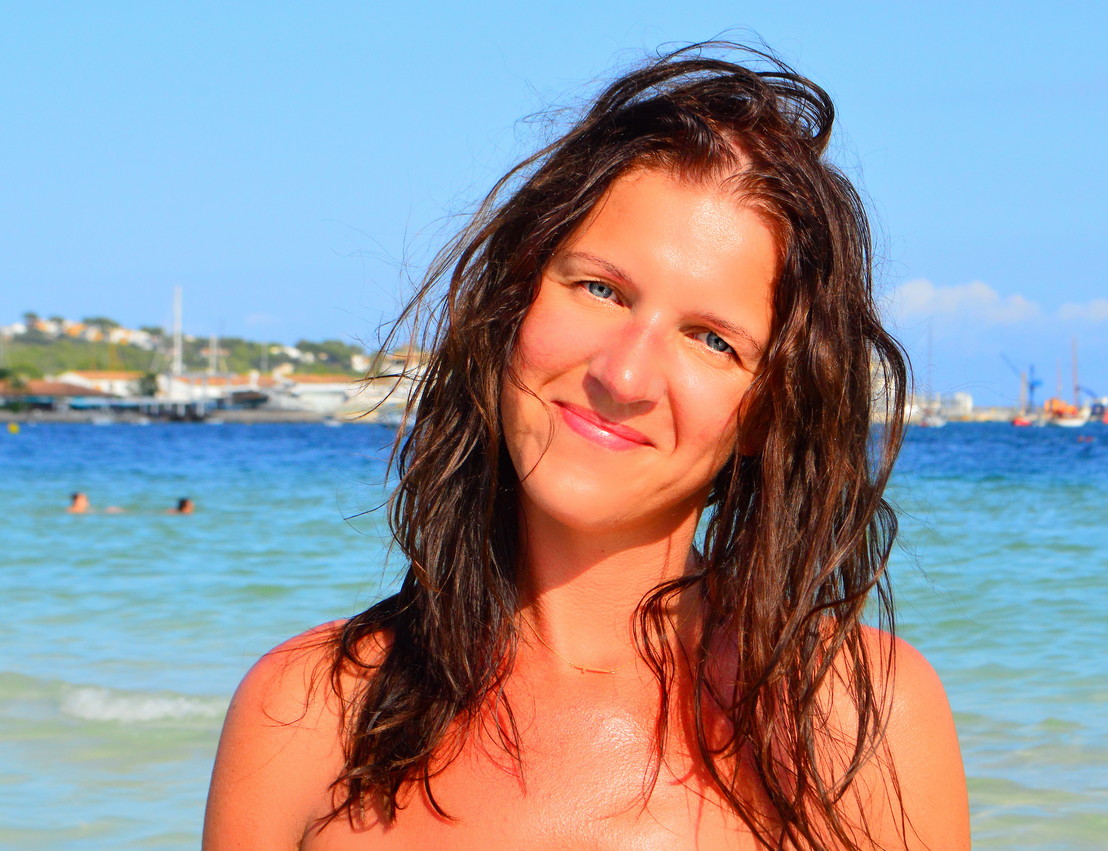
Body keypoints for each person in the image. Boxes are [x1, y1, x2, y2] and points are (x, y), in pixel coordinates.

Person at [204, 43, 968, 850]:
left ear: (765, 411)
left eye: (711, 338)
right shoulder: (307, 719)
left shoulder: (857, 722)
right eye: (601, 289)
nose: (624, 374)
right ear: (516, 298)